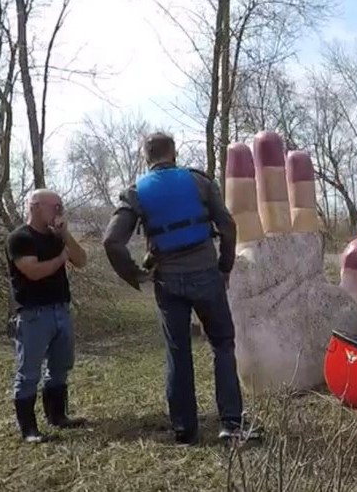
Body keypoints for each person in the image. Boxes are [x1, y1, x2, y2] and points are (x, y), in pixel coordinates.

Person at [102, 132, 259, 445]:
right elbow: (227, 226)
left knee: (178, 352)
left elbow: (111, 241)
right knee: (223, 346)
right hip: (206, 274)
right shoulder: (199, 181)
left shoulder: (135, 192)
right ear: (173, 153)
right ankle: (231, 422)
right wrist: (225, 267)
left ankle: (185, 430)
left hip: (167, 281)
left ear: (146, 158)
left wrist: (136, 275)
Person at [6, 189, 88, 443]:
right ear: (36, 207)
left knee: (60, 367)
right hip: (33, 314)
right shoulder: (20, 238)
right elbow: (33, 271)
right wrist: (61, 257)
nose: (59, 210)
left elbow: (82, 260)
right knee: (29, 373)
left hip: (60, 309)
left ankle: (57, 415)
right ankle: (29, 429)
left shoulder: (56, 237)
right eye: (56, 206)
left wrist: (65, 236)